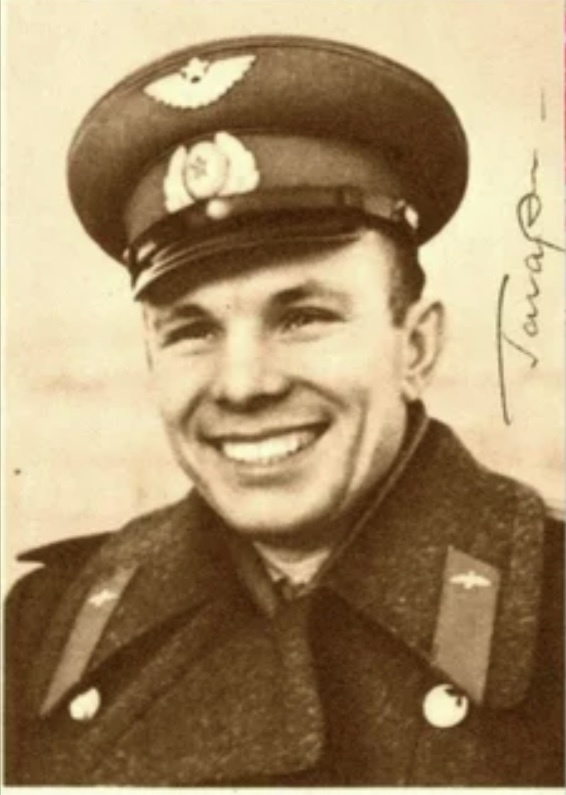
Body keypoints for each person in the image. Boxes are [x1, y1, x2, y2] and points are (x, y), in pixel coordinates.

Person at [4, 35, 563, 786]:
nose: (243, 385)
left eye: (302, 317)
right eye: (192, 330)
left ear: (417, 347)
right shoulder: (45, 629)